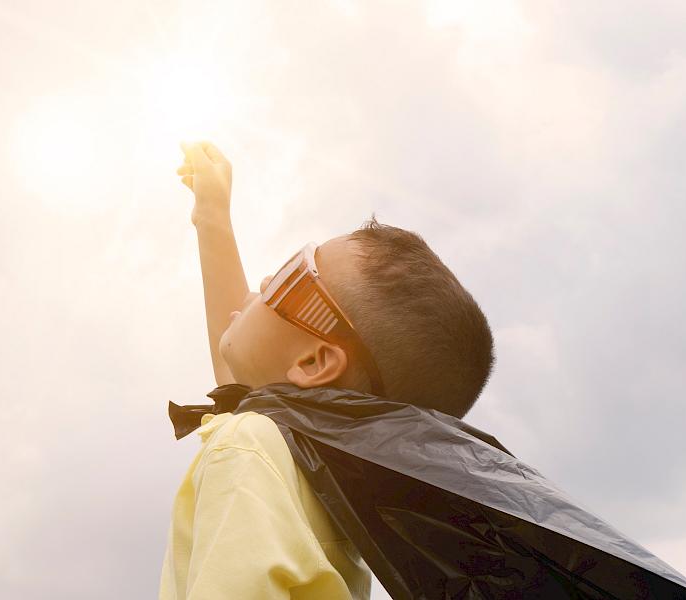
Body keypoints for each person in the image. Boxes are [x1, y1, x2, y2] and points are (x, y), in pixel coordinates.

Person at [159, 141, 495, 600]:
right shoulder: (320, 475)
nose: (263, 282)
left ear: (314, 362)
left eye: (290, 276)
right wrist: (212, 214)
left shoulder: (249, 447)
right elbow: (236, 371)